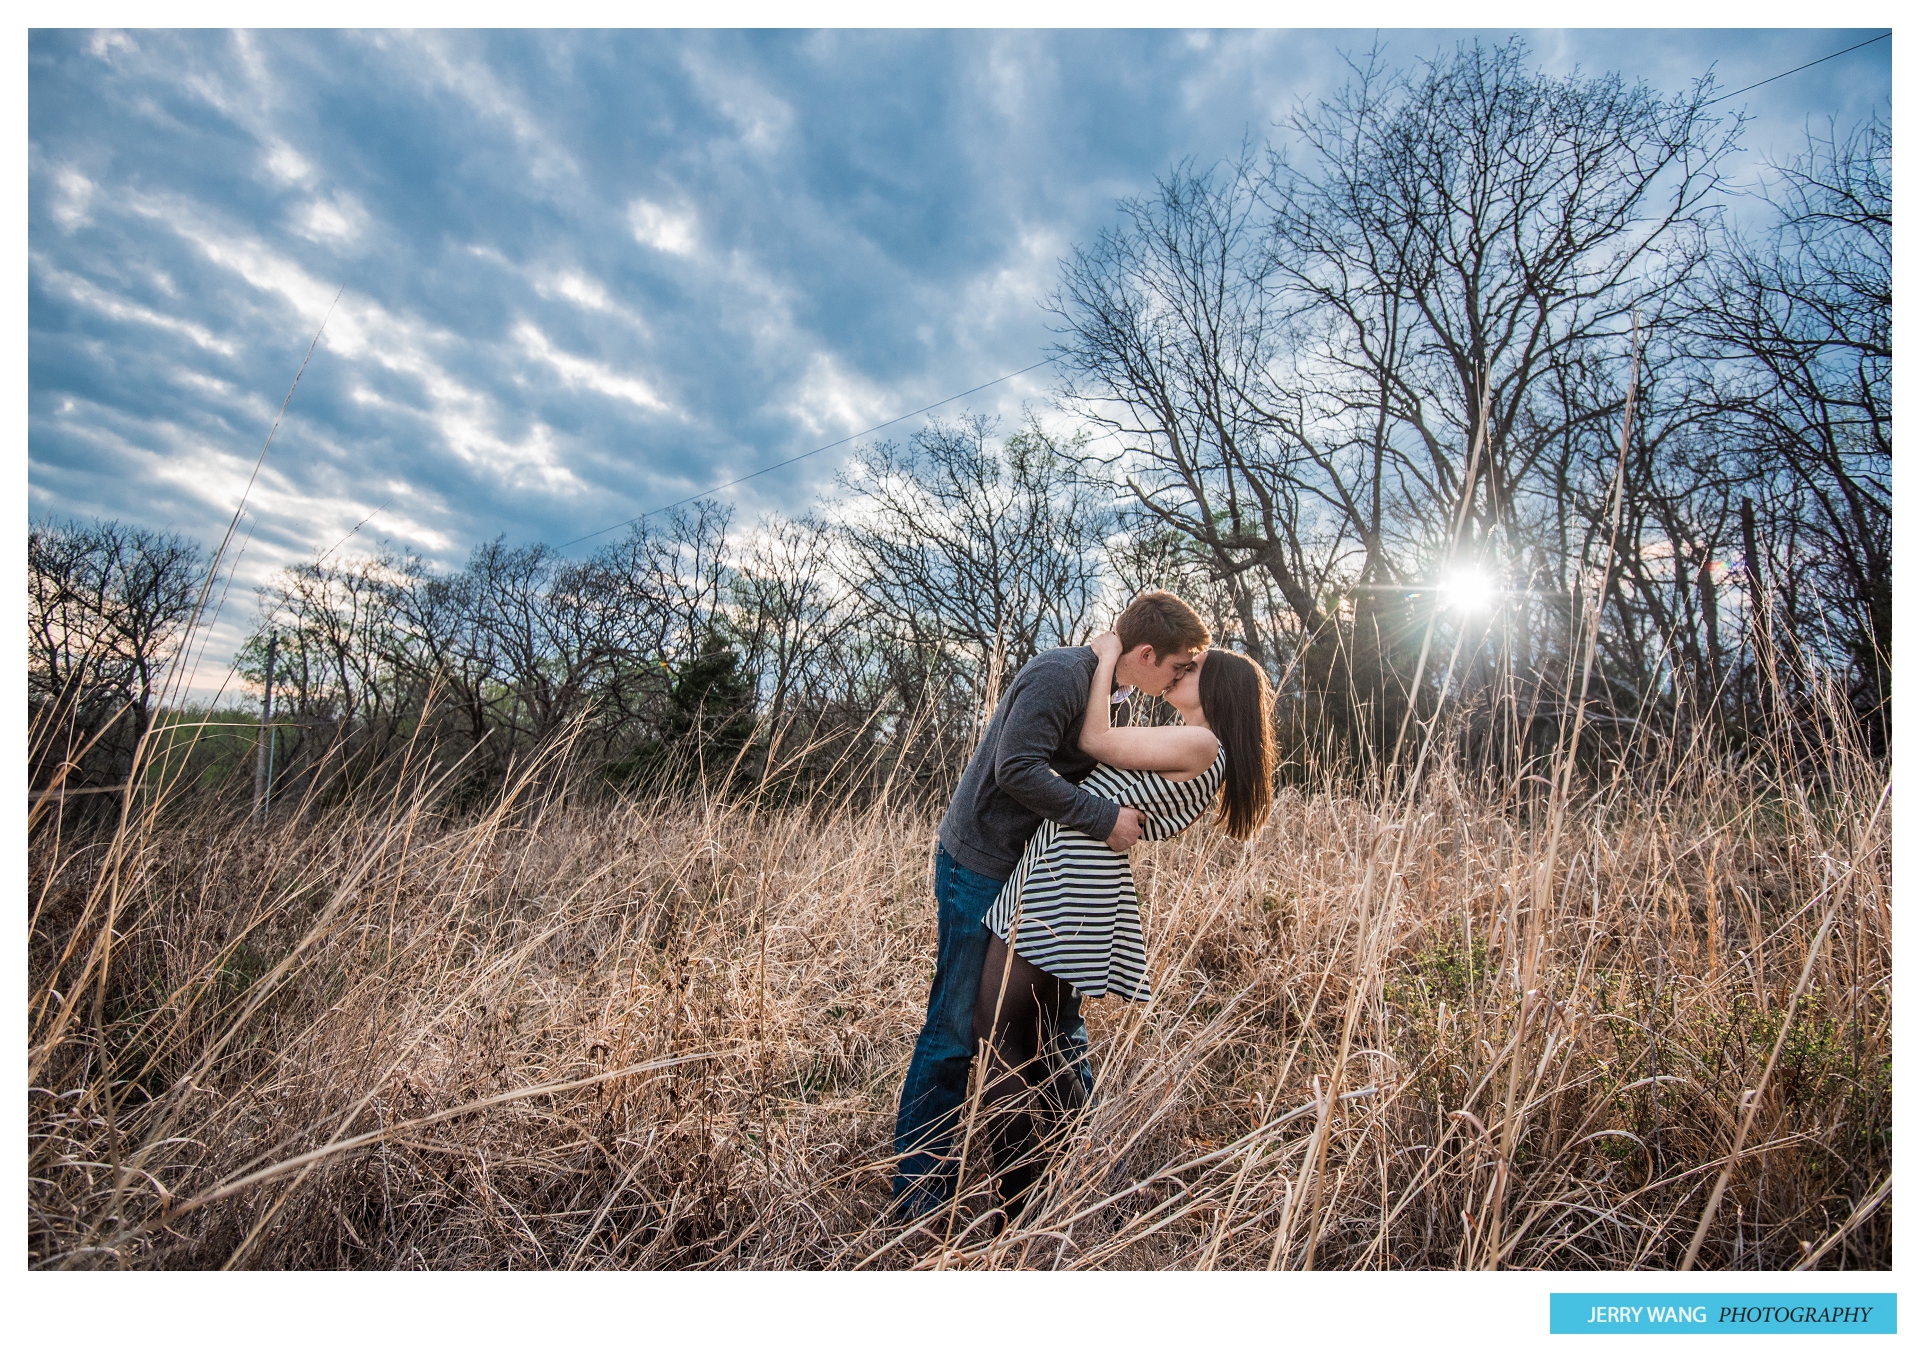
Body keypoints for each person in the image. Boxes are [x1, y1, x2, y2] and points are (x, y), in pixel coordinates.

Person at [891, 591, 1211, 1222]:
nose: (1177, 680)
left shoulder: (1107, 690)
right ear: (1146, 654)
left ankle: (1084, 1172)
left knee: (1057, 1027)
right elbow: (1017, 767)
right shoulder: (1059, 673)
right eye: (1176, 667)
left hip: (1033, 877)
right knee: (957, 1029)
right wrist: (1104, 821)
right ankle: (918, 1199)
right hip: (982, 862)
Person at [971, 628, 1276, 1221]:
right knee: (1042, 1043)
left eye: (1194, 668)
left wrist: (1108, 656)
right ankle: (1064, 1186)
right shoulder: (1195, 744)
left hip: (1068, 882)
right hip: (1072, 876)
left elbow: (1093, 738)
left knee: (994, 1037)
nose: (1181, 671)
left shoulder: (1201, 744)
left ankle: (1020, 1204)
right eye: (1182, 663)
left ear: (1219, 689)